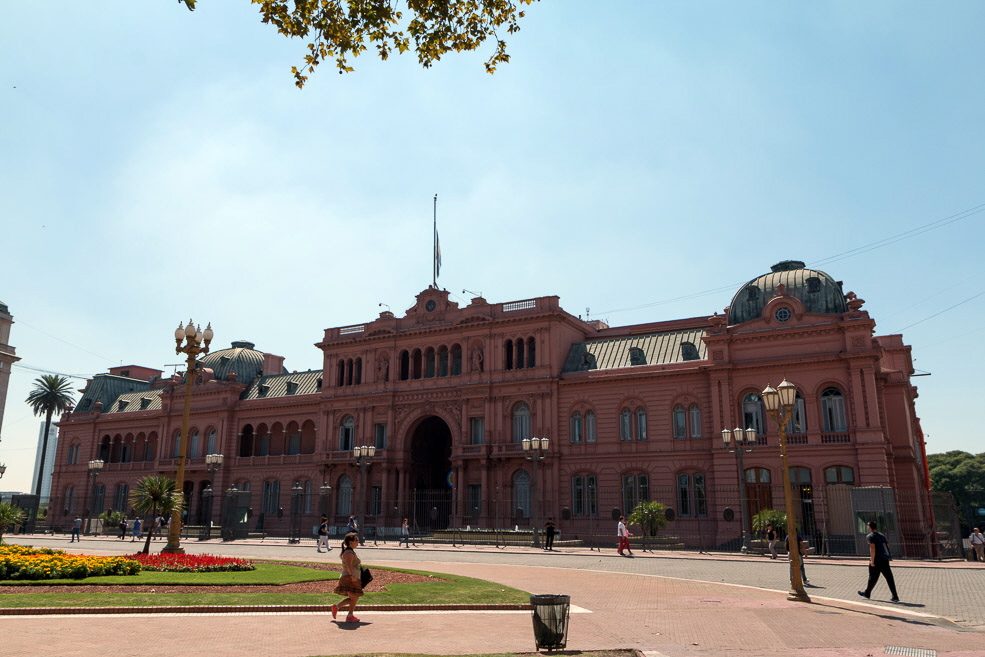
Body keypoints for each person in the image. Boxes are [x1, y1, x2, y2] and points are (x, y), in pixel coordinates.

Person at [859, 520, 899, 602]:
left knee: (872, 576)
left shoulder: (870, 536)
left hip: (877, 559)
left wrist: (872, 560)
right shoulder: (881, 535)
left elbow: (872, 548)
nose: (867, 527)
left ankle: (867, 593)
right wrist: (888, 555)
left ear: (870, 527)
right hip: (884, 559)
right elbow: (887, 545)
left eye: (867, 526)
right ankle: (895, 596)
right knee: (889, 577)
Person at [331, 532, 364, 623]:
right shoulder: (348, 553)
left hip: (352, 577)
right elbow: (348, 565)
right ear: (350, 542)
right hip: (349, 578)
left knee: (354, 597)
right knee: (354, 596)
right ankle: (347, 614)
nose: (358, 541)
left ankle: (340, 609)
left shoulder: (350, 551)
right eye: (356, 540)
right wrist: (352, 576)